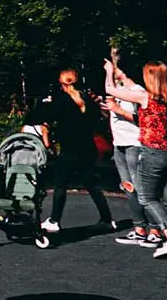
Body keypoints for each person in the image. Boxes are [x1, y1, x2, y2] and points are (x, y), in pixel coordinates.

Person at [106, 57, 167, 259]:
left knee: (147, 197)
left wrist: (109, 72)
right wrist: (122, 75)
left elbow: (110, 89)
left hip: (153, 152)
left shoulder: (146, 97)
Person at [30, 69, 114, 235]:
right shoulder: (88, 99)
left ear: (61, 83)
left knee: (60, 184)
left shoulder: (60, 100)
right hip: (88, 147)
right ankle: (107, 219)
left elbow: (46, 118)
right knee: (91, 184)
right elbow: (98, 118)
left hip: (69, 149)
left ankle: (54, 220)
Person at [104, 75, 153, 245]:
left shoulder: (137, 90)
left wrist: (118, 109)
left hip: (134, 143)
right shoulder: (117, 91)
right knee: (128, 188)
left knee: (141, 188)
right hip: (119, 144)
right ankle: (139, 228)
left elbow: (143, 120)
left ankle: (156, 228)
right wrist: (107, 109)